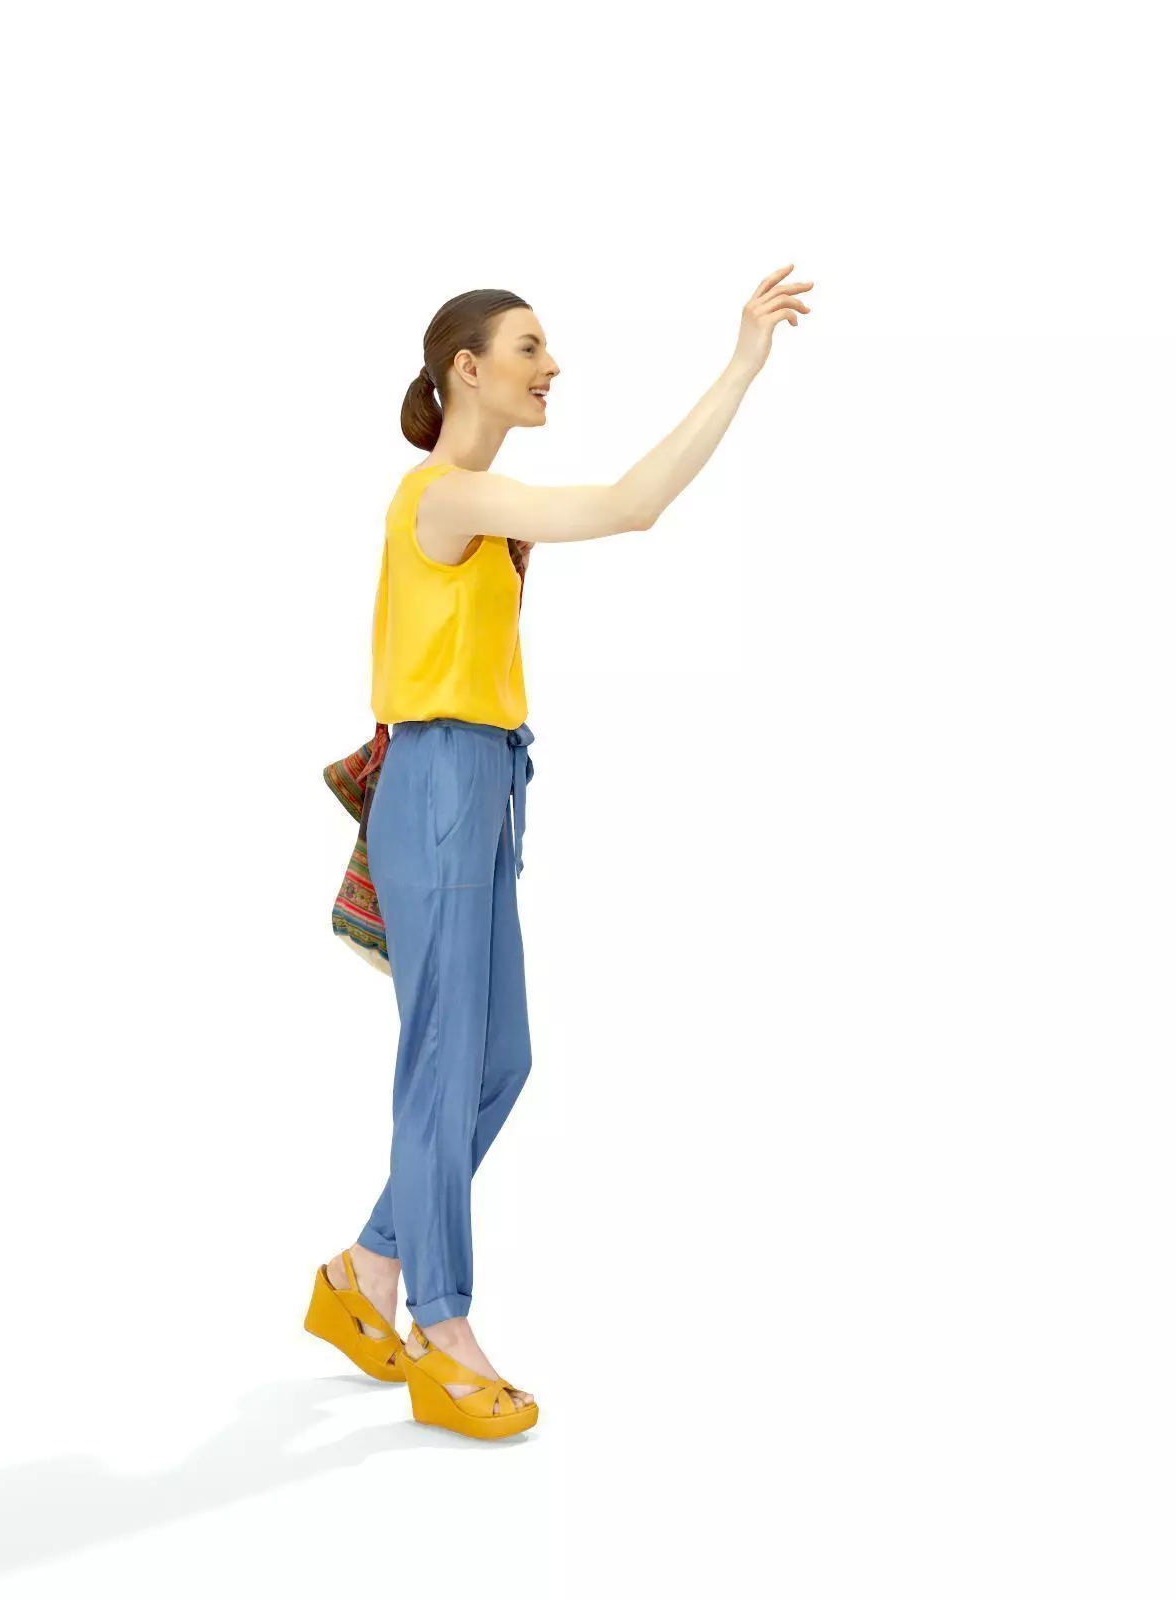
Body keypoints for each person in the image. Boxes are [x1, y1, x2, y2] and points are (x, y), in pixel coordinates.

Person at [304, 266, 815, 1439]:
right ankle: (443, 1333)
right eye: (529, 347)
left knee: (498, 1062)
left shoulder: (482, 503)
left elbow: (621, 505)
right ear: (467, 367)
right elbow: (633, 505)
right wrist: (740, 366)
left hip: (484, 780)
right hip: (439, 777)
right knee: (443, 1063)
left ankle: (362, 1273)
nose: (552, 366)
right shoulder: (445, 497)